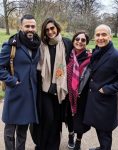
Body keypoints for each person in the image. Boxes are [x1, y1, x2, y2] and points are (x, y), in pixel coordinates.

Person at [83, 24, 118, 150]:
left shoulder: (117, 57)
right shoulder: (97, 52)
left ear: (110, 37)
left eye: (104, 34)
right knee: (99, 129)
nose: (100, 37)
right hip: (94, 100)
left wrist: (107, 89)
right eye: (98, 35)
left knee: (105, 133)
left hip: (105, 102)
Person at [0, 14, 41, 150]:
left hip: (30, 95)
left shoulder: (37, 44)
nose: (30, 29)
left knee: (23, 130)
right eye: (27, 26)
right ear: (21, 27)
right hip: (15, 93)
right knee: (10, 130)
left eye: (32, 26)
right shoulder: (11, 45)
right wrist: (12, 80)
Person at [36, 17, 72, 150]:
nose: (50, 32)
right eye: (47, 30)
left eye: (52, 28)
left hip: (60, 88)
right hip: (45, 89)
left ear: (57, 27)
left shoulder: (66, 43)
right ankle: (41, 145)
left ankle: (53, 146)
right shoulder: (41, 45)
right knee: (47, 118)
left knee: (57, 119)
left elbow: (77, 55)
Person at [66, 31, 92, 150]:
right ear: (73, 41)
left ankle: (78, 141)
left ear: (86, 43)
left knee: (80, 120)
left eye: (83, 40)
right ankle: (71, 135)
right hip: (67, 94)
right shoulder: (67, 56)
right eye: (77, 39)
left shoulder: (90, 58)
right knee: (69, 117)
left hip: (82, 95)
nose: (79, 42)